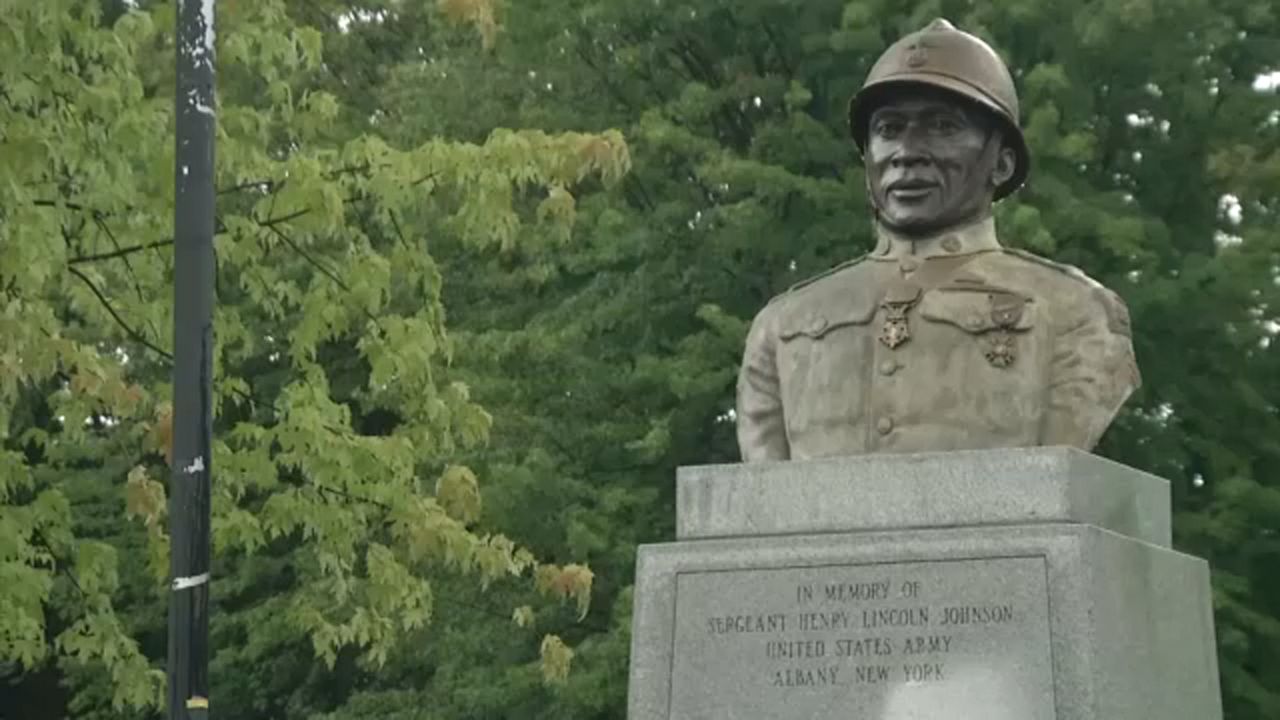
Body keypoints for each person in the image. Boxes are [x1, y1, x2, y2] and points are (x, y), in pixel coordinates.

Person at [736, 19, 1139, 461]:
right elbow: (761, 506)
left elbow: (1052, 486)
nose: (907, 152)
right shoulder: (780, 325)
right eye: (888, 129)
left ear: (1001, 164)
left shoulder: (1076, 314)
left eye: (942, 127)